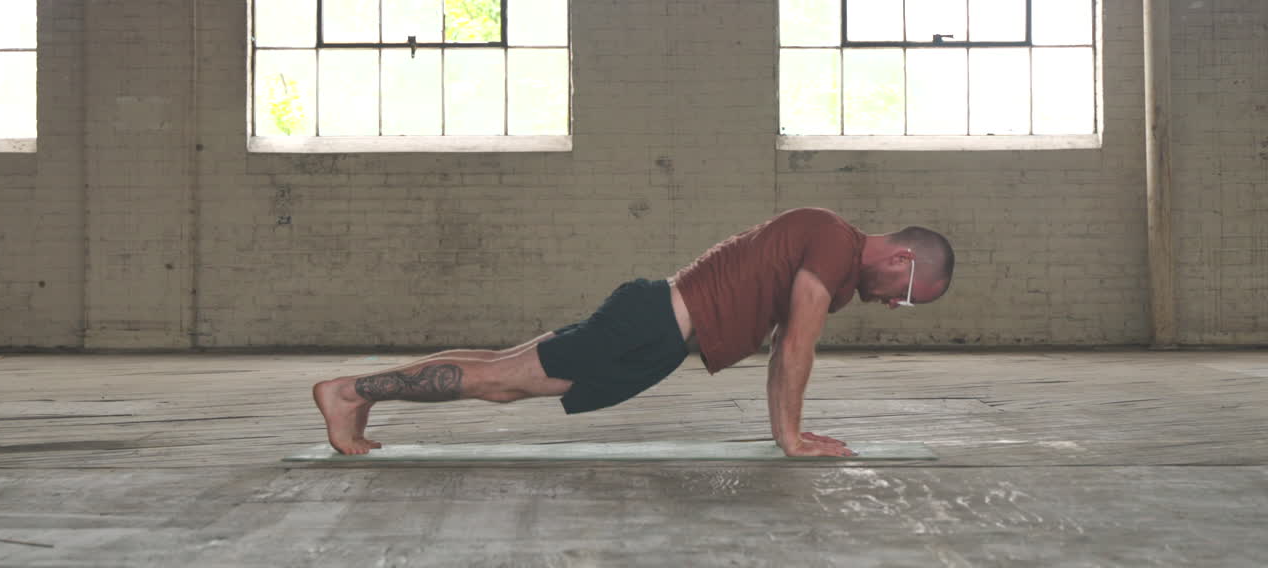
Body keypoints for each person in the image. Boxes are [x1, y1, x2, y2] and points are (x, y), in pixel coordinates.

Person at [313, 207, 954, 457]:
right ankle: (349, 392)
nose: (898, 306)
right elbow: (794, 348)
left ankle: (358, 394)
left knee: (502, 368)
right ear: (901, 259)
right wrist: (790, 440)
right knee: (504, 381)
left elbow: (784, 350)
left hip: (653, 332)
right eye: (907, 294)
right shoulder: (832, 242)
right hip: (649, 327)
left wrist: (787, 430)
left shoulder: (836, 270)